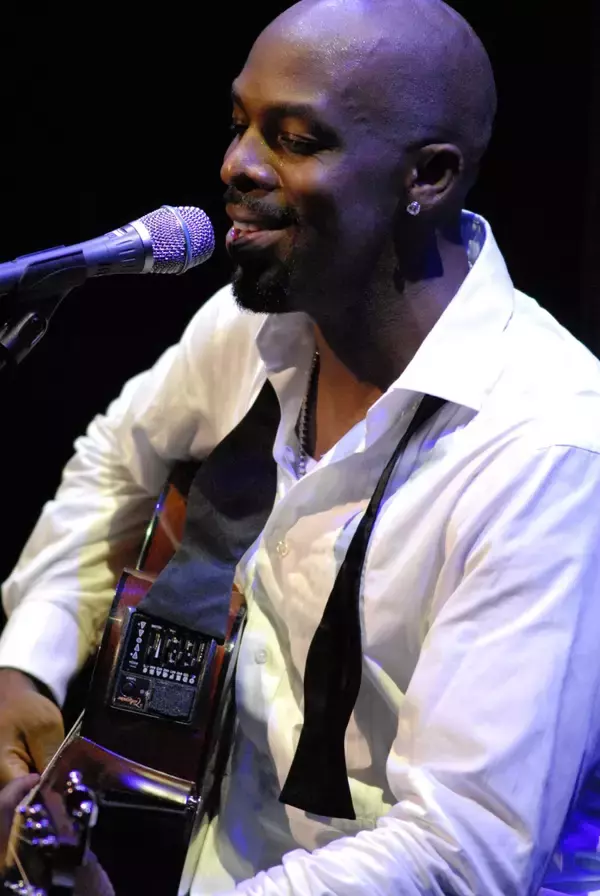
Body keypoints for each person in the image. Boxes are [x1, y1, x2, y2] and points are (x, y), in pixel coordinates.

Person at [1, 0, 600, 893]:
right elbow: (114, 462)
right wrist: (27, 662)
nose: (236, 165)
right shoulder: (251, 329)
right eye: (239, 124)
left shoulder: (551, 450)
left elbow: (460, 852)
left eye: (294, 139)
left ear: (428, 176)